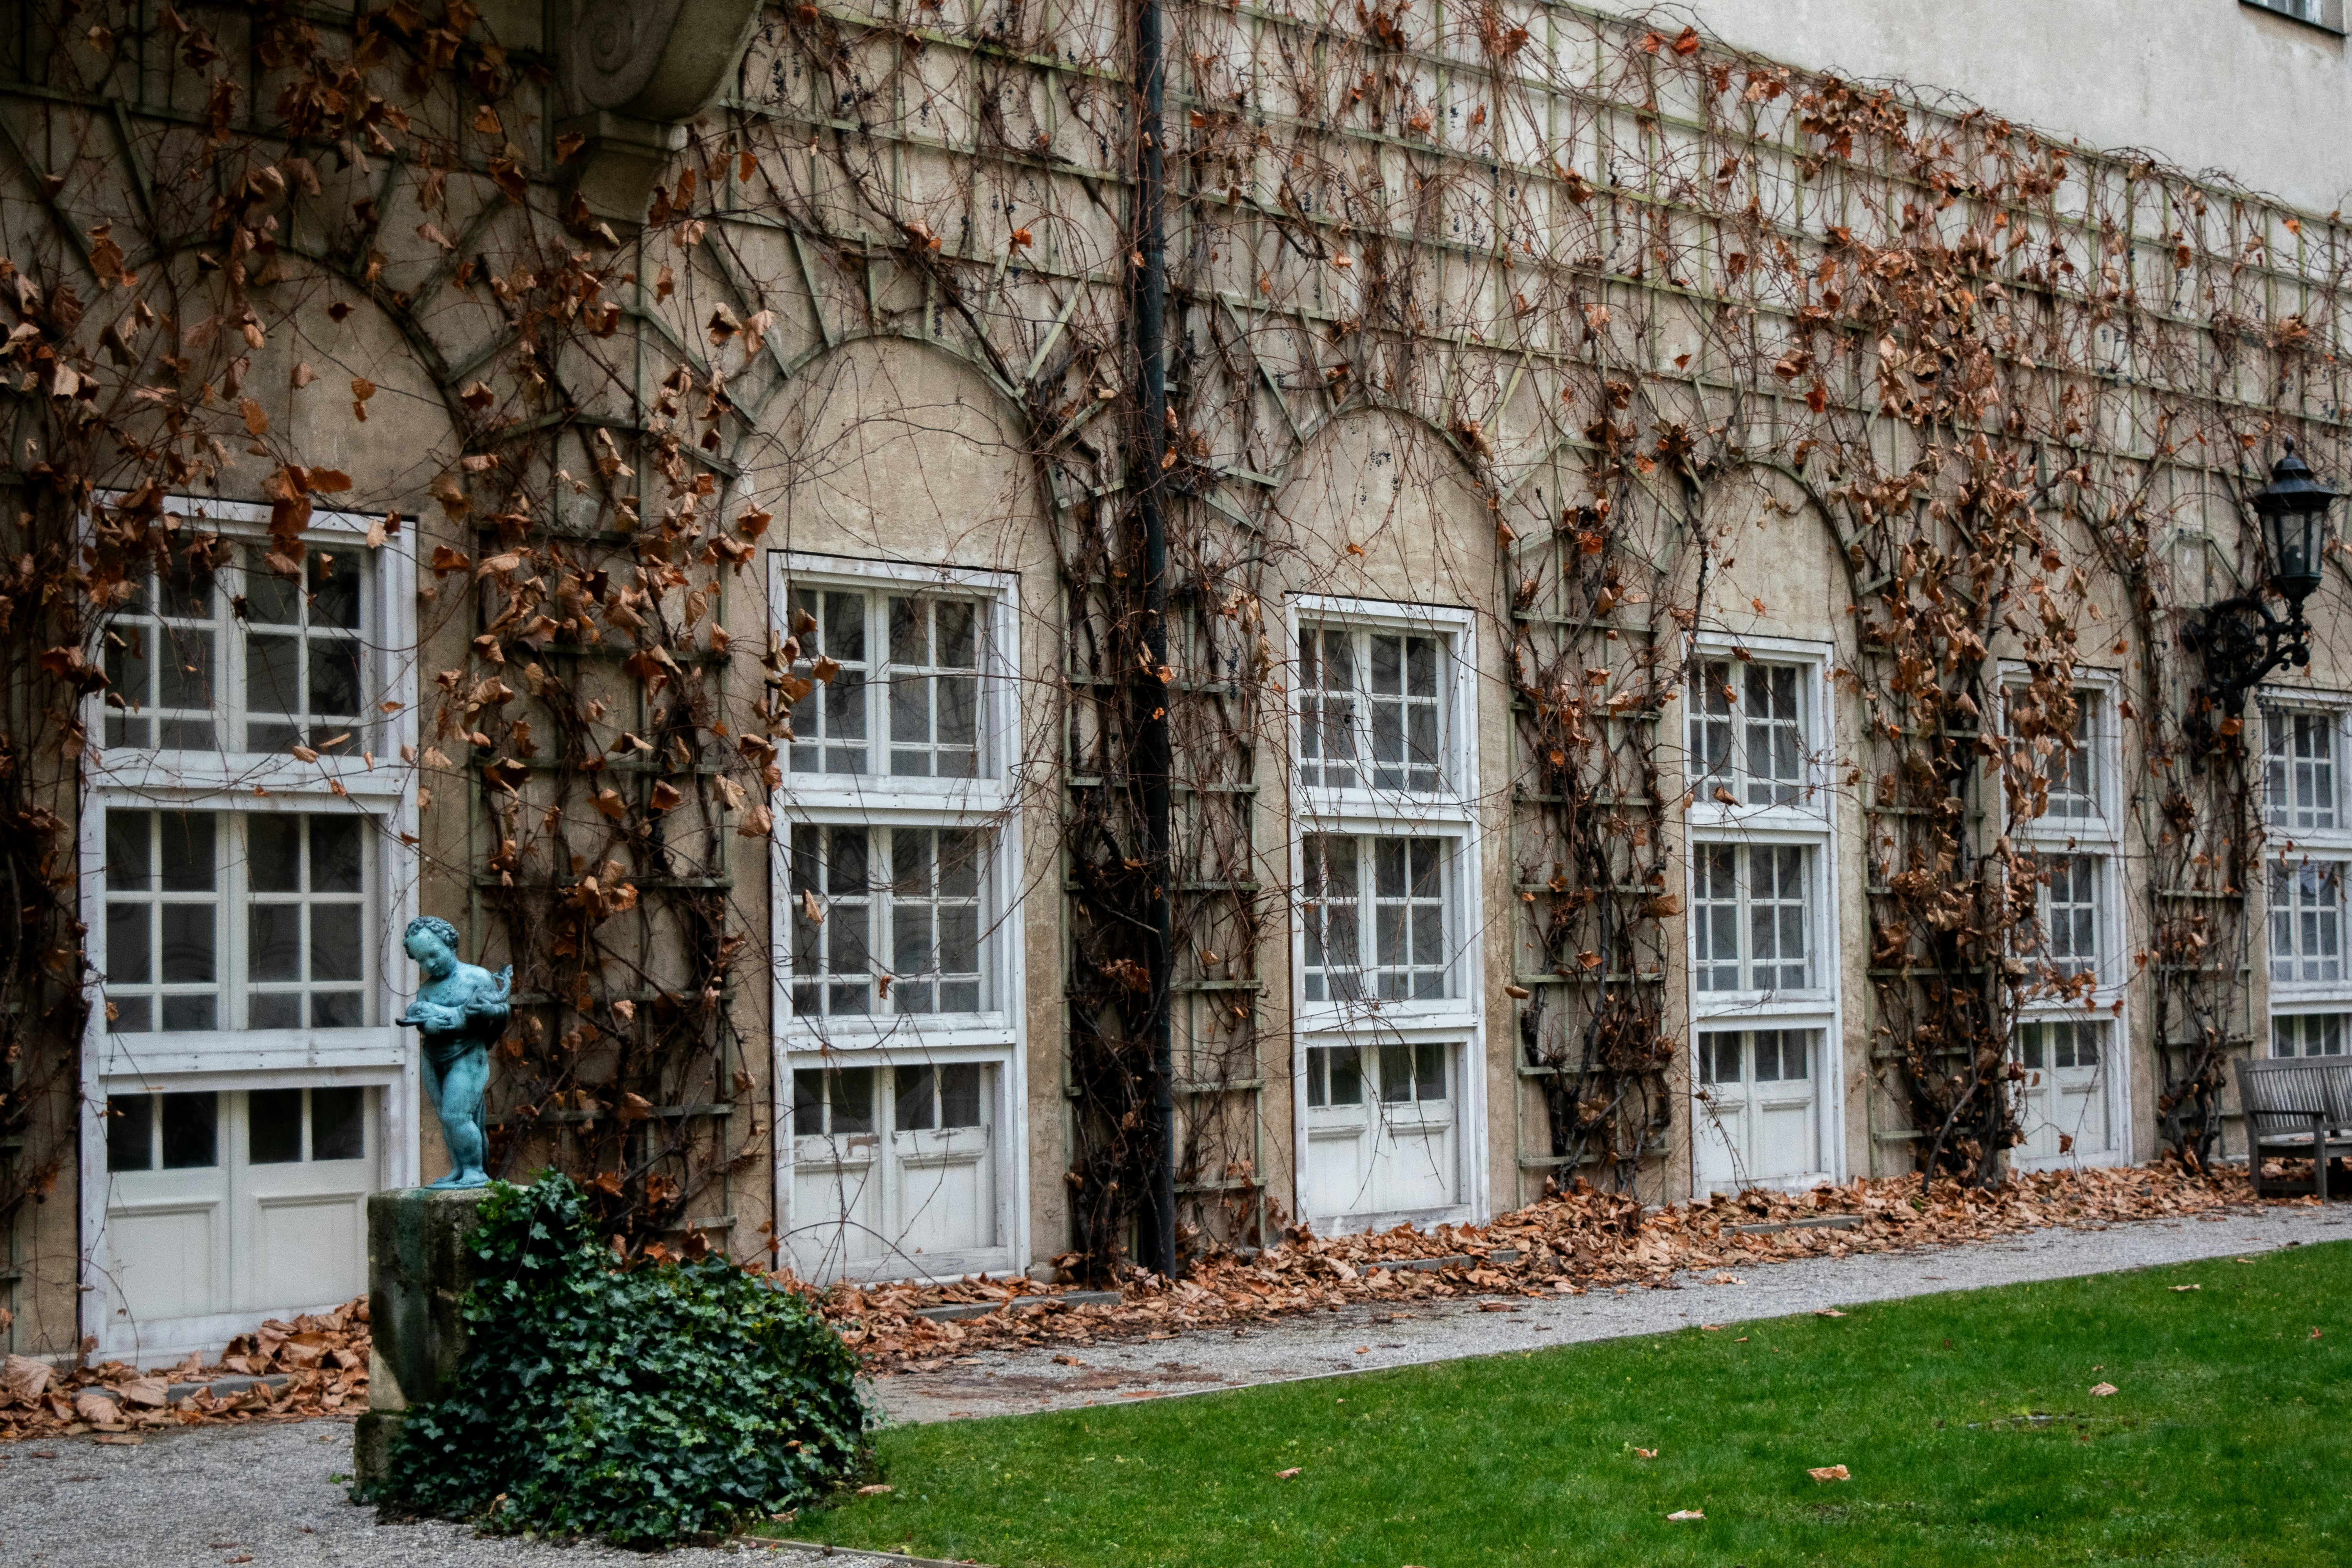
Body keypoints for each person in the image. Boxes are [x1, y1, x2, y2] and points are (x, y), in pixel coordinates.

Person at [396, 915, 511, 1189]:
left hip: (467, 1056)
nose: (430, 965)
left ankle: (475, 1171)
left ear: (450, 945)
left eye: (434, 955)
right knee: (445, 1118)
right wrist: (431, 1026)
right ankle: (459, 1169)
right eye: (422, 960)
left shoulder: (477, 978)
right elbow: (422, 1024)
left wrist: (487, 1012)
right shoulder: (426, 991)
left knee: (456, 1116)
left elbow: (503, 1012)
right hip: (433, 1059)